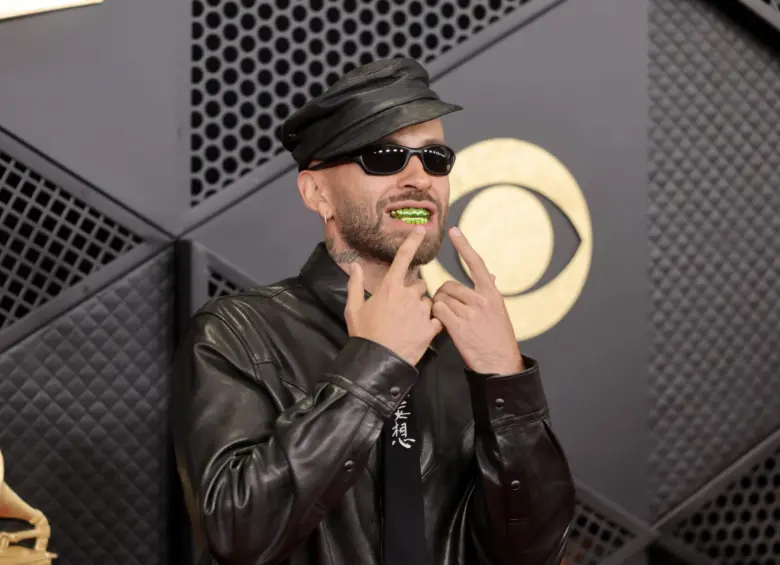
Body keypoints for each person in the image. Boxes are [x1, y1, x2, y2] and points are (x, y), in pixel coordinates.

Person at [172, 57, 576, 565]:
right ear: (316, 192)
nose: (419, 178)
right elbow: (237, 533)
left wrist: (506, 382)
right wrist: (374, 365)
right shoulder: (239, 334)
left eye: (435, 159)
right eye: (385, 157)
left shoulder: (469, 350)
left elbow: (534, 552)